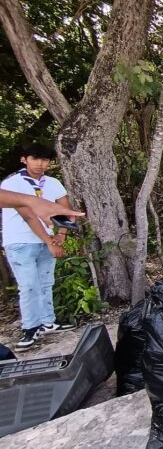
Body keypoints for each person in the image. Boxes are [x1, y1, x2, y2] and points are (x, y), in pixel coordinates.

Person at [1, 143, 77, 352]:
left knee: (45, 282)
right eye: (36, 159)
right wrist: (48, 241)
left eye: (45, 160)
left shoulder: (52, 183)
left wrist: (61, 235)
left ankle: (48, 322)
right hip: (20, 241)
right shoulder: (13, 183)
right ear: (24, 159)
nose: (41, 164)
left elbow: (65, 210)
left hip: (48, 239)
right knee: (29, 286)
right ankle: (30, 327)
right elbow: (28, 215)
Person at [0, 188, 83, 224]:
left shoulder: (52, 181)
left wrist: (33, 202)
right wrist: (33, 202)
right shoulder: (12, 182)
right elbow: (28, 217)